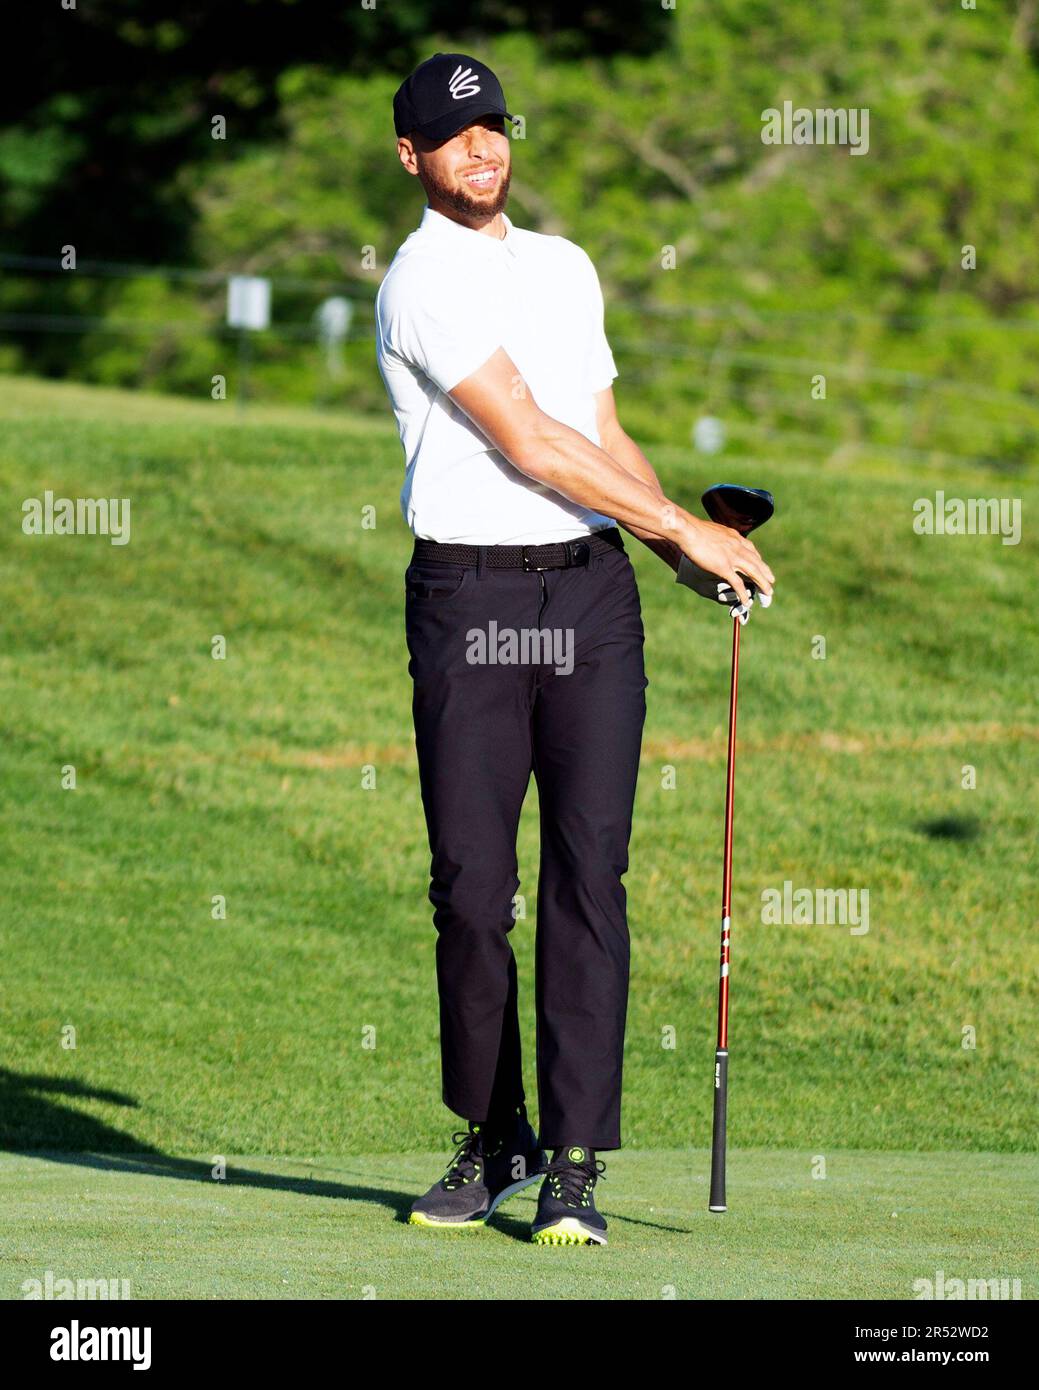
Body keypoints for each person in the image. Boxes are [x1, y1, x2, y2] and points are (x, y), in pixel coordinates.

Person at [375, 52, 774, 1246]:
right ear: (412, 158)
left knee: (589, 879)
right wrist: (681, 524)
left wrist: (676, 551)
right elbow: (531, 444)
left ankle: (576, 1163)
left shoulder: (564, 265)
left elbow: (599, 430)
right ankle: (494, 1133)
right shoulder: (418, 282)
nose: (482, 149)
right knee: (469, 891)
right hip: (468, 598)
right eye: (454, 137)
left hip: (590, 600)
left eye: (493, 126)